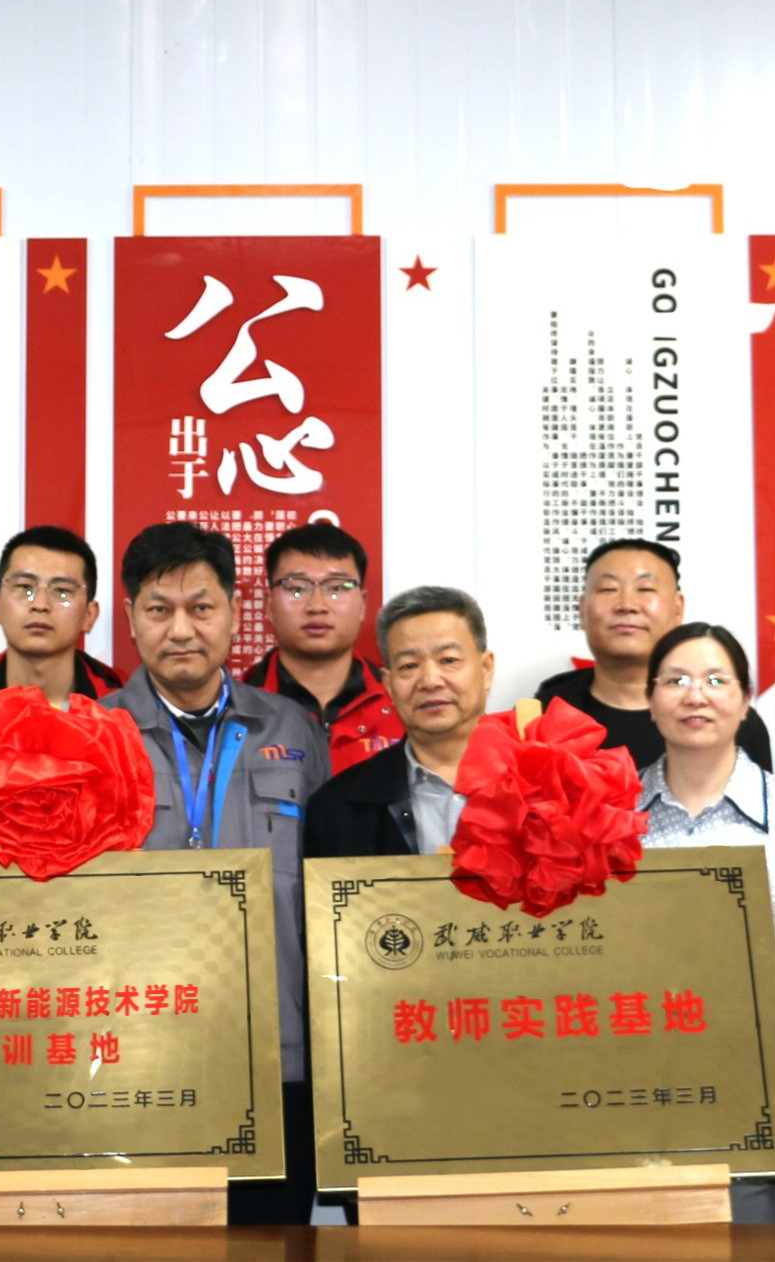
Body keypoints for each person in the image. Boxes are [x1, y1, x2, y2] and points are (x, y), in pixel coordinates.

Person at [101, 521, 328, 1224]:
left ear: (233, 611)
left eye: (201, 607)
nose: (181, 630)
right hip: (136, 1054)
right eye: (158, 609)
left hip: (277, 1054)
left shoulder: (293, 731)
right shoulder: (93, 735)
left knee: (273, 1239)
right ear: (130, 618)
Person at [636, 622, 775, 1223]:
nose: (695, 696)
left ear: (746, 698)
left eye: (715, 680)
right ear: (649, 700)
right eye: (675, 680)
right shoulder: (611, 815)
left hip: (754, 1106)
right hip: (629, 1100)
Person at [534, 538, 772, 771]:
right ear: (582, 610)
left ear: (677, 609)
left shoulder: (723, 719)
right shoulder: (542, 716)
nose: (627, 605)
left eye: (645, 589)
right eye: (608, 589)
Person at [301, 585, 494, 859]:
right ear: (389, 684)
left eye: (448, 660)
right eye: (409, 666)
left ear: (485, 669)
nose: (430, 680)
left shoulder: (546, 782)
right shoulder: (335, 808)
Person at [241, 523, 399, 773]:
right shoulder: (237, 708)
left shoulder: (401, 702)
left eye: (336, 588)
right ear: (269, 605)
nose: (317, 606)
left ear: (362, 605)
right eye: (296, 589)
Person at [0, 525, 121, 706]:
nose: (40, 605)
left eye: (62, 591)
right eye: (25, 587)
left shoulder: (123, 709)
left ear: (89, 615)